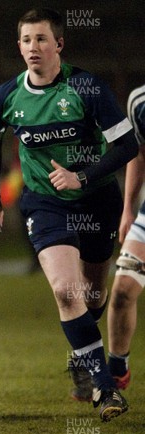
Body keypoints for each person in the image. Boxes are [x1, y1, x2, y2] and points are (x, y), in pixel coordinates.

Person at [0, 8, 138, 422]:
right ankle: (105, 389)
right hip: (45, 204)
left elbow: (127, 147)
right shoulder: (6, 97)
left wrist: (81, 176)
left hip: (98, 199)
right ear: (19, 47)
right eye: (27, 40)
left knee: (93, 298)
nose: (34, 48)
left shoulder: (86, 88)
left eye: (42, 39)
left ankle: (82, 356)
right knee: (67, 293)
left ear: (59, 45)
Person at [107, 84, 145, 391]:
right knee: (121, 291)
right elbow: (138, 153)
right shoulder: (139, 101)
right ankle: (117, 374)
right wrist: (128, 209)